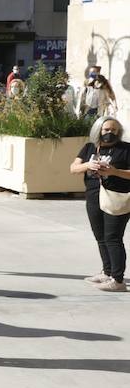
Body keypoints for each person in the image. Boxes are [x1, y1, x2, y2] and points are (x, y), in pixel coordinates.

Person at [72, 116, 130, 292]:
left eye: (114, 130)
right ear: (98, 130)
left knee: (113, 237)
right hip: (93, 196)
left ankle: (118, 280)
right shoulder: (90, 147)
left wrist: (114, 171)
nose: (110, 133)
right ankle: (107, 271)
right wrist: (88, 165)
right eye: (106, 130)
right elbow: (73, 168)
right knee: (100, 236)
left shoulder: (125, 149)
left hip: (116, 197)